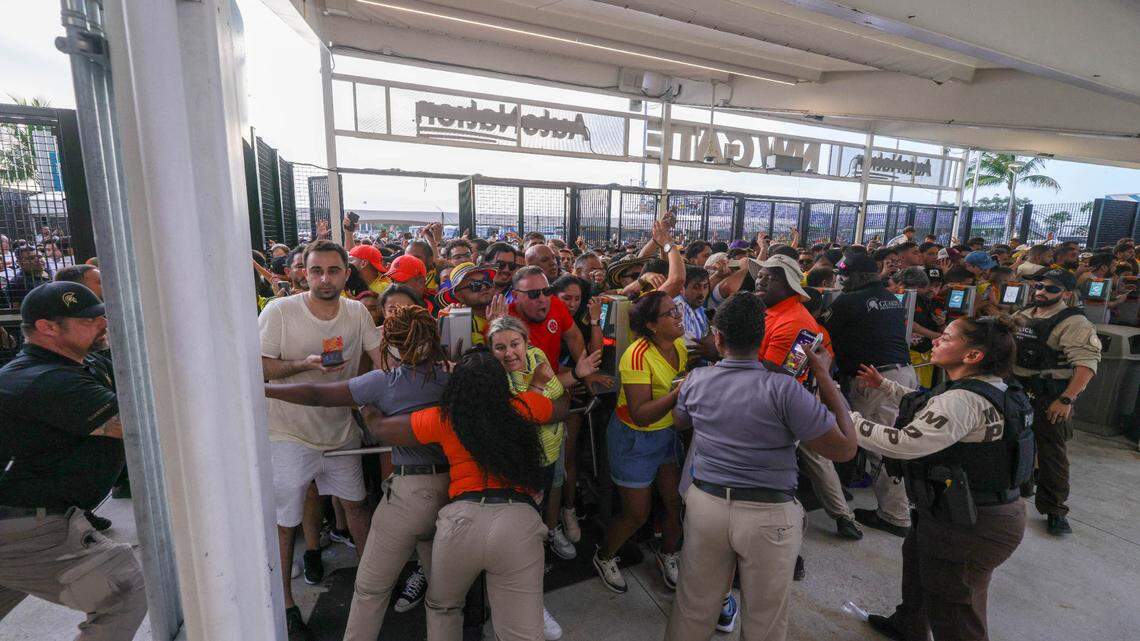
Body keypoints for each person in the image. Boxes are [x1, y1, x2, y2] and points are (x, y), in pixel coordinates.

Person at [665, 292, 857, 641]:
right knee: (765, 619)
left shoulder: (696, 381)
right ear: (761, 340)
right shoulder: (784, 390)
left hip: (706, 505)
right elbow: (845, 448)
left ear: (718, 338)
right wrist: (823, 375)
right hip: (769, 514)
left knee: (693, 608)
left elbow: (680, 421)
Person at [265, 305, 451, 641]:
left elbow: (317, 395)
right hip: (453, 491)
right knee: (444, 597)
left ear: (390, 345)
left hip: (410, 496)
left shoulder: (382, 383)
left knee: (369, 589)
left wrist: (264, 389)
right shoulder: (452, 376)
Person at [362, 349, 570, 641]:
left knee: (442, 609)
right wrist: (538, 385)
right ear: (501, 383)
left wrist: (366, 406)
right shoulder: (522, 406)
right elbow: (562, 406)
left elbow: (382, 429)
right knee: (521, 632)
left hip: (461, 523)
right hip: (518, 522)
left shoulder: (445, 418)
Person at [852, 315, 1033, 641]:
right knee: (920, 567)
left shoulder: (962, 400)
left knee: (956, 609)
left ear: (973, 356)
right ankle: (908, 626)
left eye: (947, 338)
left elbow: (904, 443)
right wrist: (887, 386)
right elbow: (928, 405)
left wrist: (846, 419)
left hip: (972, 525)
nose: (936, 340)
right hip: (957, 511)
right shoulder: (990, 387)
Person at [0, 282, 147, 640]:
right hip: (25, 525)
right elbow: (138, 425)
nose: (103, 324)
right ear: (47, 328)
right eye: (88, 319)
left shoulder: (78, 363)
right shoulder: (43, 380)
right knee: (124, 590)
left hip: (26, 518)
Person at [258, 239, 384, 640]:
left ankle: (371, 589)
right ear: (303, 272)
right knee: (284, 523)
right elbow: (258, 367)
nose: (324, 278)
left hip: (339, 429)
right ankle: (286, 607)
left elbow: (380, 359)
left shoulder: (357, 311)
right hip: (287, 432)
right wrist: (301, 365)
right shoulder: (280, 311)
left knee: (357, 507)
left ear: (347, 274)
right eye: (316, 270)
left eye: (333, 270)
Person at [755, 254, 862, 541]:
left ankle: (803, 529)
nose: (760, 280)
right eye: (760, 275)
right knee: (814, 459)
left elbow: (781, 374)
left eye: (770, 277)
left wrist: (733, 355)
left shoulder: (795, 322)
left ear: (789, 284)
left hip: (784, 405)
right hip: (785, 401)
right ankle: (842, 516)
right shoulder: (772, 312)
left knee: (791, 468)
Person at [594, 291, 687, 594]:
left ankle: (668, 553)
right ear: (651, 325)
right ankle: (605, 555)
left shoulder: (680, 345)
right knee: (637, 514)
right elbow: (642, 413)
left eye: (678, 310)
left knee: (675, 503)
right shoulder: (636, 355)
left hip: (667, 435)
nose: (678, 316)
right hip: (635, 439)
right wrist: (679, 393)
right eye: (671, 313)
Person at [825, 251, 916, 537]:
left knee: (880, 446)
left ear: (859, 277)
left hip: (875, 380)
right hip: (901, 374)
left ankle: (895, 515)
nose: (840, 280)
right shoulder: (891, 298)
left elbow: (824, 335)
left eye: (844, 275)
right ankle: (900, 506)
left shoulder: (849, 301)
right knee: (893, 439)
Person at [1012, 269, 1101, 536]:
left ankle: (1055, 509)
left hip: (1050, 394)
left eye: (1051, 289)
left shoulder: (1074, 322)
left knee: (1051, 454)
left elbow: (1086, 367)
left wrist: (1066, 399)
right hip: (1018, 390)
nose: (1042, 291)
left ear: (1067, 293)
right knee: (1013, 442)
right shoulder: (1025, 313)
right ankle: (1021, 483)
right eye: (1039, 285)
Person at [506, 266, 586, 367]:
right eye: (533, 294)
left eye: (546, 291)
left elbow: (574, 337)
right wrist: (577, 374)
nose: (543, 299)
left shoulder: (555, 304)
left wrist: (585, 371)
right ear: (515, 295)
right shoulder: (504, 322)